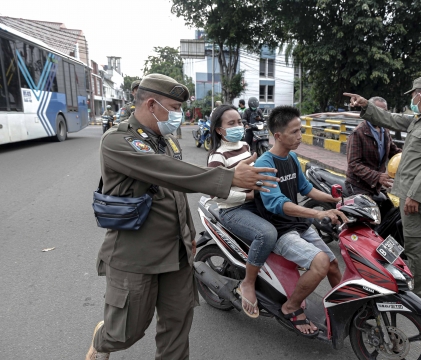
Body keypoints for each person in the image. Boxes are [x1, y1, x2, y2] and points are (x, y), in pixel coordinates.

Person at [85, 73, 280, 360]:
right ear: (152, 105)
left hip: (176, 252)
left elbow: (175, 193)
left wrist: (188, 234)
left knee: (177, 326)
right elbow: (170, 173)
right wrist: (229, 177)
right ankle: (104, 341)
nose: (179, 115)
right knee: (126, 332)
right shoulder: (118, 141)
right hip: (135, 256)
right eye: (174, 108)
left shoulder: (166, 141)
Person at [344, 76, 421, 300]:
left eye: (414, 94)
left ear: (420, 95)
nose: (413, 98)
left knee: (414, 244)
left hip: (416, 194)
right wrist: (366, 105)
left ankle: (418, 292)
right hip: (408, 192)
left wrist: (415, 195)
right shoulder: (420, 119)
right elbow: (390, 119)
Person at [255, 105, 348, 337]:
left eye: (300, 130)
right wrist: (317, 214)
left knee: (333, 263)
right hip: (279, 229)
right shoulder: (265, 164)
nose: (300, 136)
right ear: (278, 135)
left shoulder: (293, 157)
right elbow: (276, 202)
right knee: (320, 263)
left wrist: (336, 200)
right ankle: (291, 306)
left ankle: (344, 306)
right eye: (295, 132)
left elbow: (306, 189)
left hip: (298, 224)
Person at [207, 105, 278, 318]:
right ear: (219, 130)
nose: (238, 126)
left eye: (239, 122)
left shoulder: (246, 146)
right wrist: (247, 196)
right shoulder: (217, 157)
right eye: (231, 123)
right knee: (267, 234)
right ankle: (247, 283)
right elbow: (216, 194)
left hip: (254, 202)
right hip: (233, 208)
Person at [345, 96, 402, 216]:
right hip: (358, 184)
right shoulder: (358, 133)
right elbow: (353, 163)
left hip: (376, 185)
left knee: (389, 214)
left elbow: (394, 151)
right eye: (377, 110)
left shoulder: (384, 130)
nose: (381, 114)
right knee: (366, 221)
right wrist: (377, 176)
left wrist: (411, 158)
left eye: (384, 111)